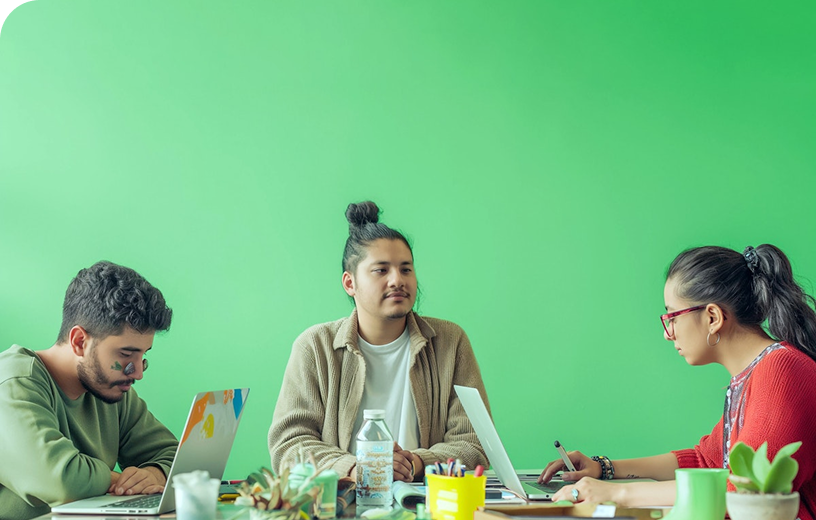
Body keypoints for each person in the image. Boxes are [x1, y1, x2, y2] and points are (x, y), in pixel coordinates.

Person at [538, 244, 816, 520]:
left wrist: (618, 494)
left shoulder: (782, 369)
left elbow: (744, 492)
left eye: (671, 317)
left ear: (712, 317)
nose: (667, 334)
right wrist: (604, 468)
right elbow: (706, 463)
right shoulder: (752, 373)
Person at [268, 201, 489, 482]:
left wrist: (416, 461)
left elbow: (473, 442)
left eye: (406, 269)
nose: (397, 280)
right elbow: (289, 444)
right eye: (381, 270)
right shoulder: (315, 346)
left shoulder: (450, 341)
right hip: (342, 502)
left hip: (426, 502)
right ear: (350, 283)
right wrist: (354, 467)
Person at [0, 261, 178, 520]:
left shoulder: (112, 391)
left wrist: (153, 474)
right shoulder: (13, 381)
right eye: (127, 354)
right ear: (79, 341)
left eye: (143, 356)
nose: (137, 372)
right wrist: (122, 482)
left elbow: (175, 456)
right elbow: (59, 479)